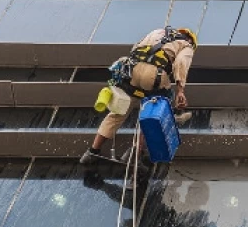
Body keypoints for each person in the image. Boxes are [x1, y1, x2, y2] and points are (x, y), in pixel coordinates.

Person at [80, 26, 197, 165]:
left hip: (132, 71)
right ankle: (135, 153)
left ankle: (92, 152)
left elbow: (136, 49)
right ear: (190, 39)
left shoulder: (157, 32)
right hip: (154, 76)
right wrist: (180, 90)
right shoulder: (186, 45)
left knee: (118, 111)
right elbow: (181, 63)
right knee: (151, 111)